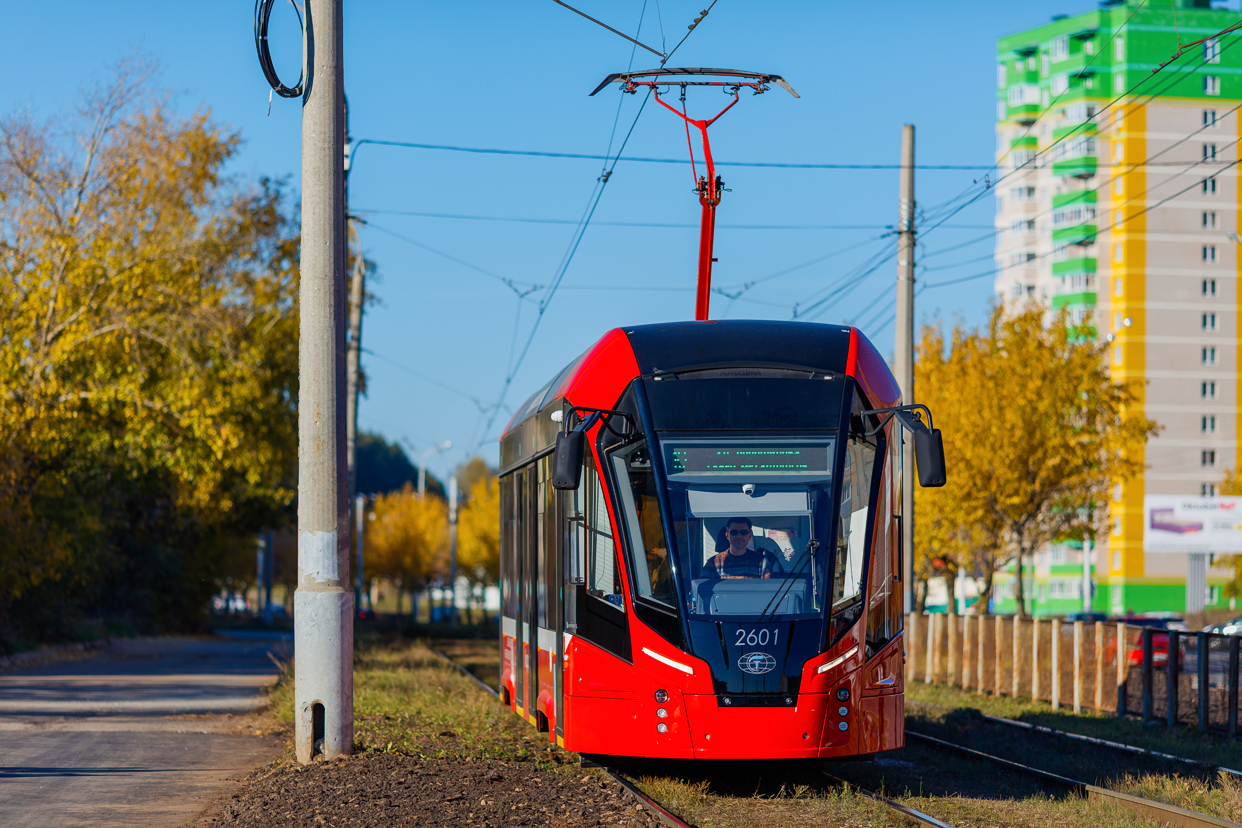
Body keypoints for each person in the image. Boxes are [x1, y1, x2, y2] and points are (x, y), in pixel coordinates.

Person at [702, 517, 778, 579]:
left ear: (749, 536)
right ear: (727, 535)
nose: (739, 536)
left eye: (743, 532)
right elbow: (704, 592)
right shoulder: (713, 563)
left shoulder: (761, 561)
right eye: (734, 532)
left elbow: (768, 591)